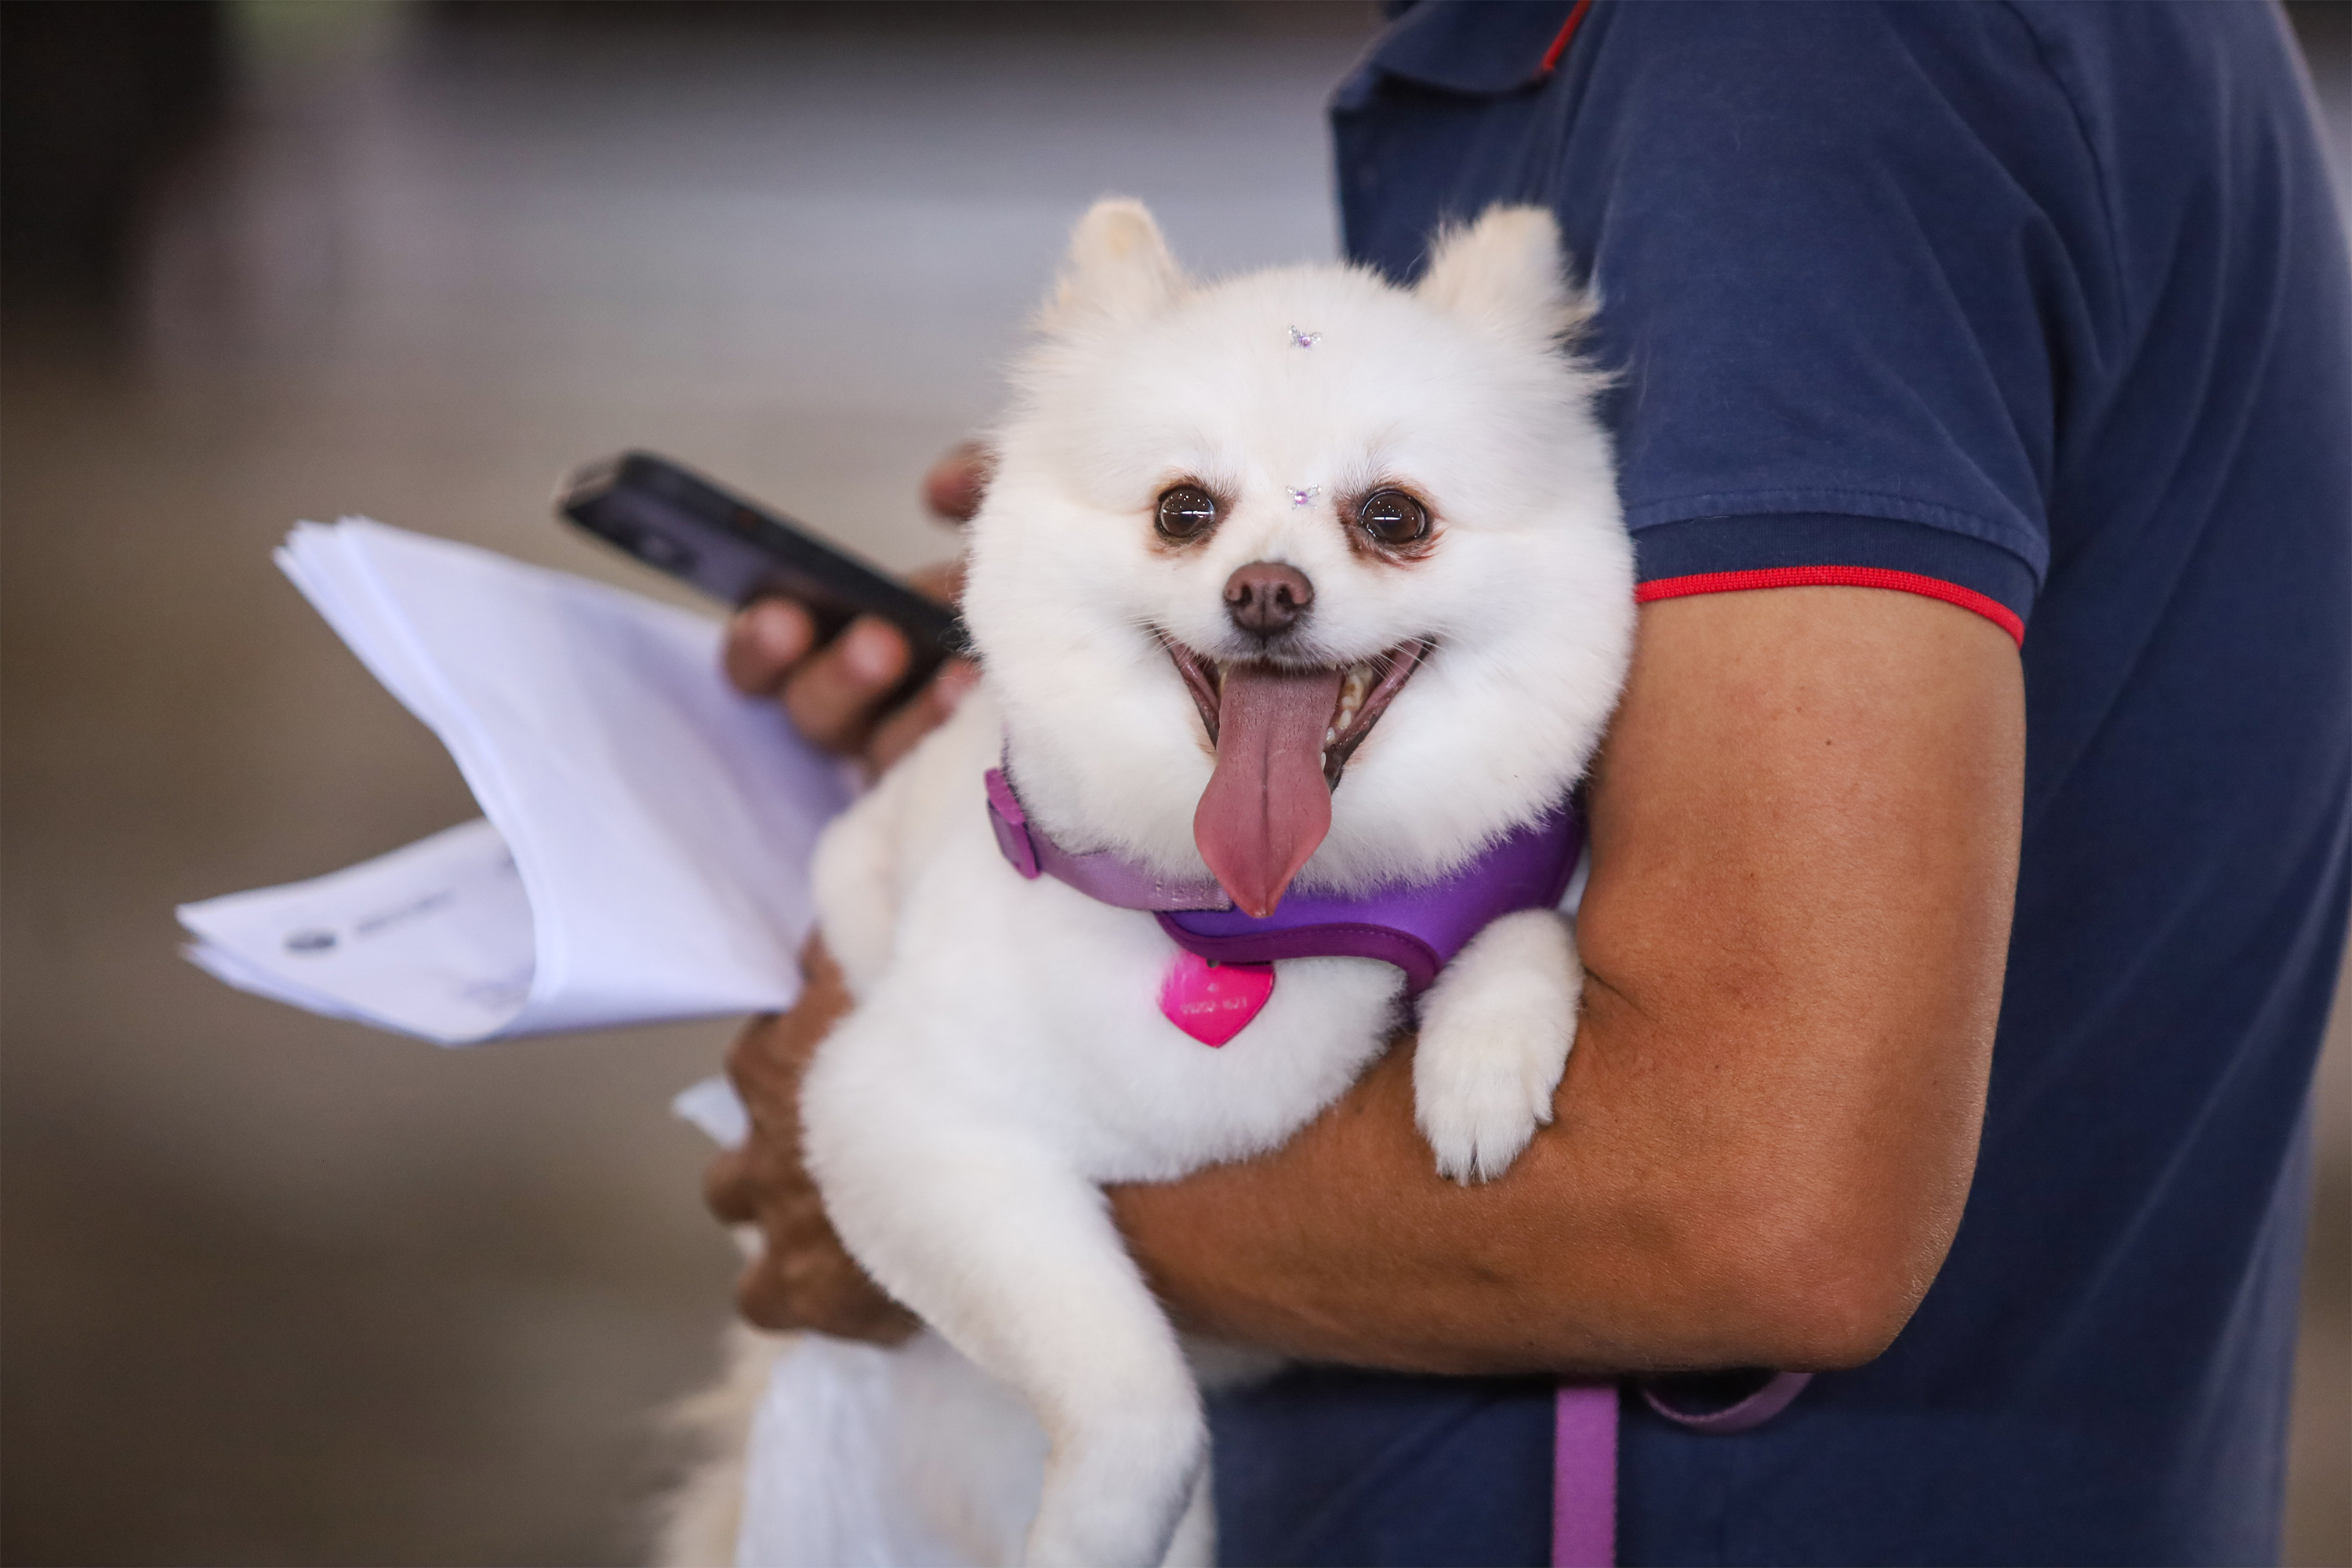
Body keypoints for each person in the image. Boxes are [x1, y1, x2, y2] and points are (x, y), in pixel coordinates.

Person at [702, 3, 2352, 1562]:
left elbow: (1750, 1203)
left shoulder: (1809, 60)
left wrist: (948, 1194)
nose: (1273, 577)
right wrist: (1093, 736)